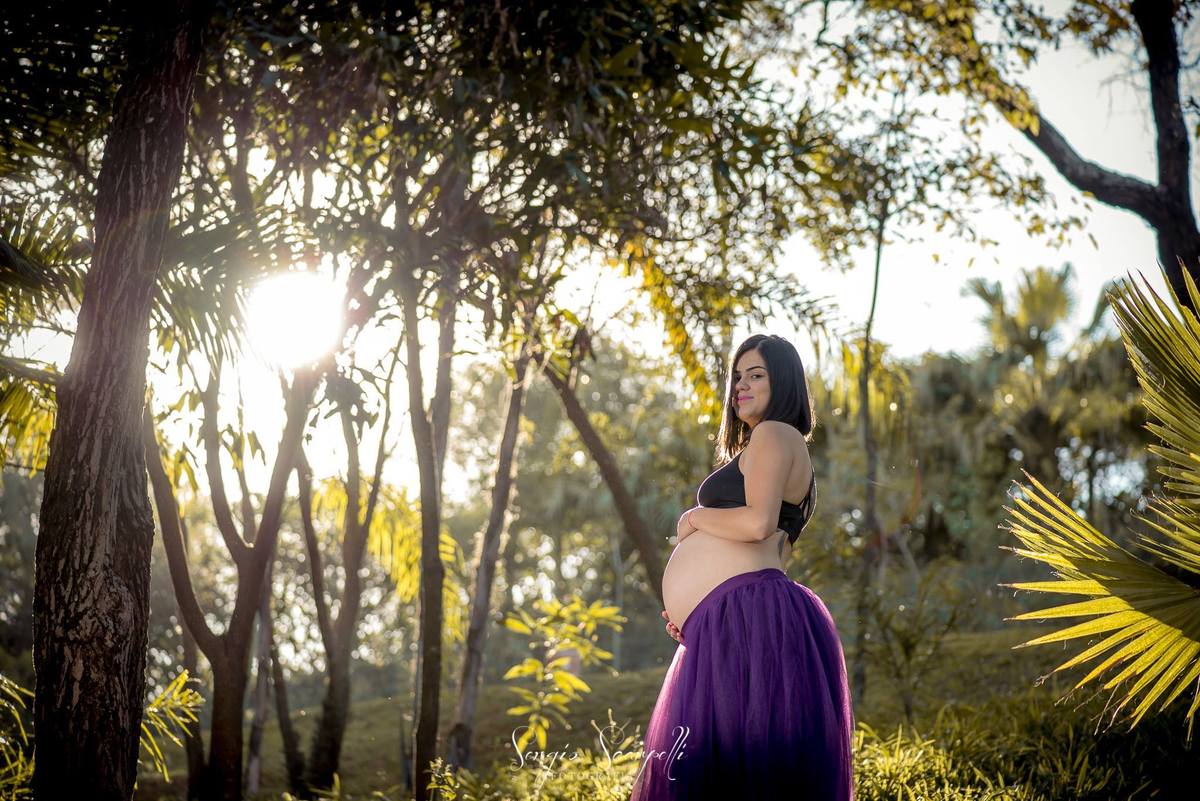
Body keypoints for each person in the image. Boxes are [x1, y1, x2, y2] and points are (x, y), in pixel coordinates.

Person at [629, 334, 854, 800]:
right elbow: (773, 549)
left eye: (756, 375)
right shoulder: (772, 445)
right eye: (737, 377)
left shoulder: (774, 433)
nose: (740, 386)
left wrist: (693, 518)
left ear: (783, 383)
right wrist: (695, 609)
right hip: (733, 619)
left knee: (730, 770)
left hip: (749, 616)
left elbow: (757, 525)